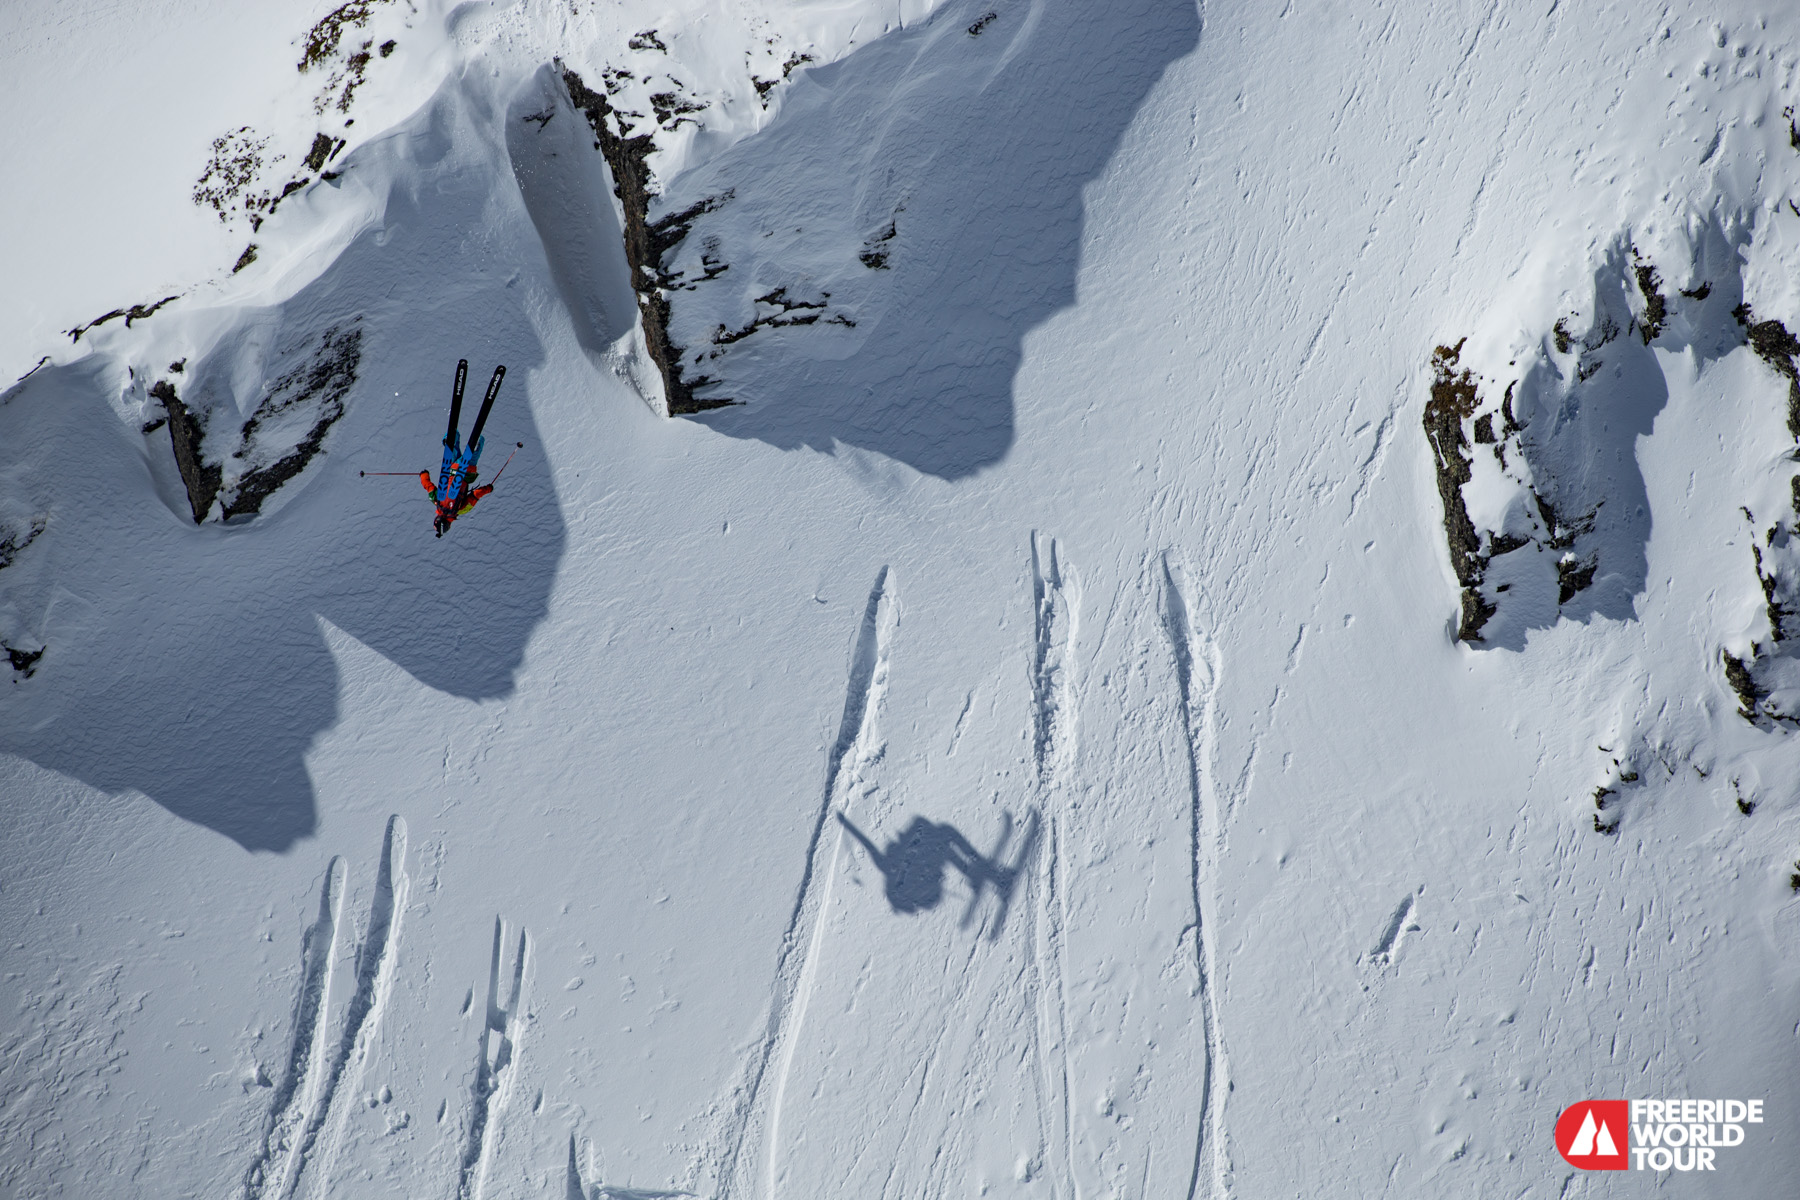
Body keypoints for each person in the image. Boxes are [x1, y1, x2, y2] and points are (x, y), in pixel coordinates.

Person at [420, 470, 494, 537]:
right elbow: (428, 486)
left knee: (472, 457)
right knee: (455, 458)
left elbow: (475, 495)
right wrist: (424, 475)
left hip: (467, 475)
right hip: (452, 470)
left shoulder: (461, 510)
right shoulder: (437, 501)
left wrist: (487, 489)